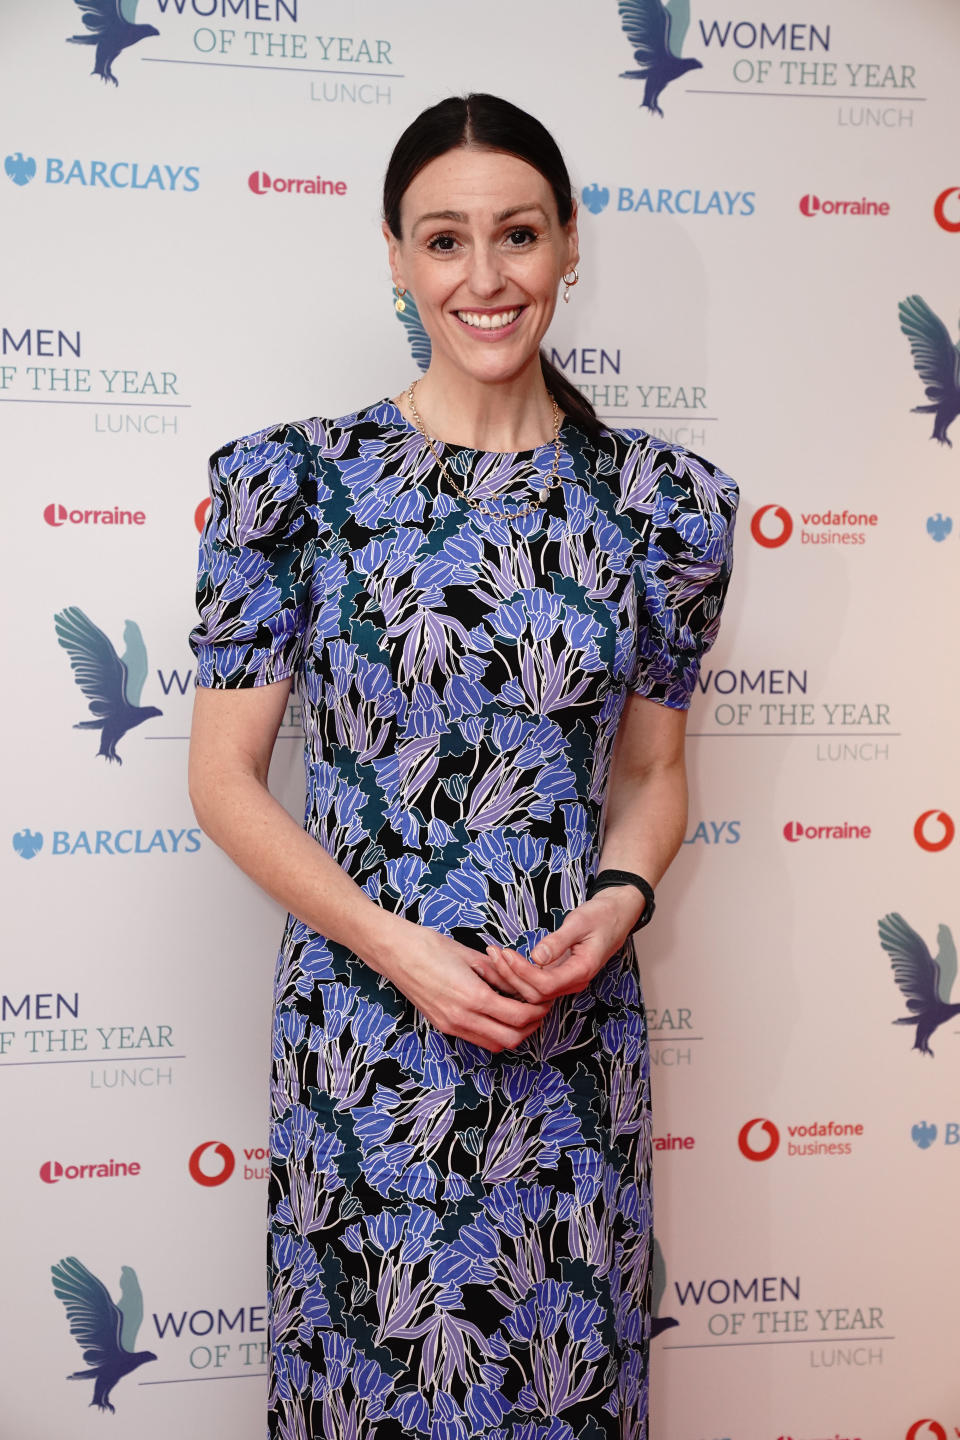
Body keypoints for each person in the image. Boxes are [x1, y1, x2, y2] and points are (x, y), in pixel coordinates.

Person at [188, 93, 738, 1440]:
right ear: (394, 256)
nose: (484, 279)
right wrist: (403, 951)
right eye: (445, 241)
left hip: (571, 1040)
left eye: (517, 236)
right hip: (366, 1047)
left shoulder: (665, 506)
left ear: (565, 248)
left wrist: (621, 898)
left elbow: (655, 775)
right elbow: (223, 780)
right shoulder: (293, 488)